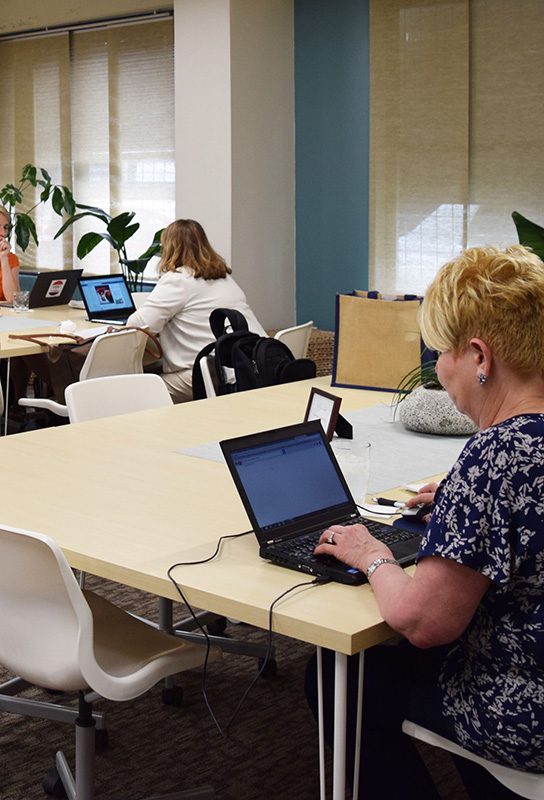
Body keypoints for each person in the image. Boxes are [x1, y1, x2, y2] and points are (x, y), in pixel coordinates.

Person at [307, 244, 544, 799]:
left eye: (441, 353)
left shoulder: (495, 458)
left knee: (340, 677)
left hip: (526, 712)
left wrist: (371, 554)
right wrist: (464, 508)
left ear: (480, 357)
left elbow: (422, 621)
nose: (438, 370)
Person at [126, 219, 263, 403]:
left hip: (208, 376)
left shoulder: (178, 279)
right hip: (246, 369)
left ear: (170, 247)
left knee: (135, 391)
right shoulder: (224, 277)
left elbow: (136, 326)